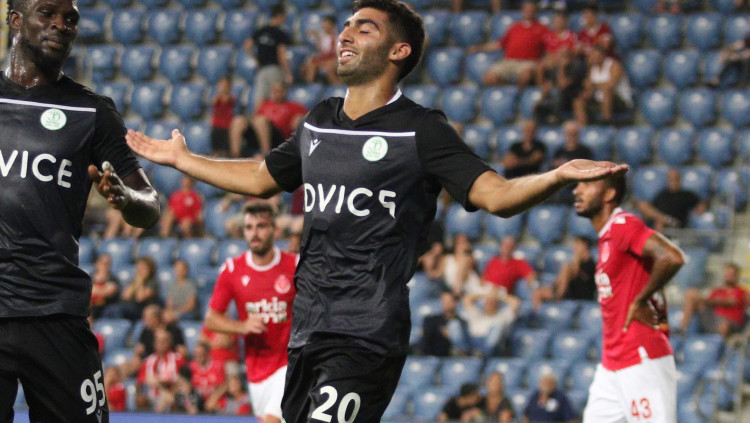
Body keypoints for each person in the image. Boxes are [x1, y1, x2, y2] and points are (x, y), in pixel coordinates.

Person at [126, 0, 627, 420]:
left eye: (364, 28)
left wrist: (556, 175)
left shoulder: (421, 129)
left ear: (397, 51)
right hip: (307, 328)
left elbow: (494, 195)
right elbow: (261, 177)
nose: (345, 34)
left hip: (366, 330)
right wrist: (184, 160)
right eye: (346, 25)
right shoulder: (320, 119)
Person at [0, 0, 161, 421]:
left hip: (56, 314)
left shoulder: (92, 111)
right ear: (15, 20)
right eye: (47, 13)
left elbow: (150, 206)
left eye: (70, 18)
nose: (61, 24)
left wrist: (126, 199)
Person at [573, 175, 684, 423]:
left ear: (609, 194)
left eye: (586, 185)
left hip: (640, 357)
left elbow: (671, 257)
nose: (576, 190)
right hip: (612, 363)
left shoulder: (622, 224)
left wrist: (642, 300)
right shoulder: (607, 236)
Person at [204, 202, 297, 423]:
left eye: (261, 226)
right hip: (256, 368)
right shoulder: (232, 270)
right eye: (249, 227)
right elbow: (211, 319)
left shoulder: (295, 266)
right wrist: (242, 326)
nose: (254, 233)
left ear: (275, 230)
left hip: (289, 363)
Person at [468, 1, 548, 90]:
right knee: (488, 78)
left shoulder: (542, 29)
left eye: (531, 10)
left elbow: (550, 49)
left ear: (535, 12)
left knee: (525, 76)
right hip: (508, 61)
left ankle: (519, 93)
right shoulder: (515, 27)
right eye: (527, 10)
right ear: (522, 11)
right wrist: (479, 48)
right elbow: (500, 44)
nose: (528, 12)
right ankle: (508, 89)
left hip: (527, 63)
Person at [228, 81, 307, 158]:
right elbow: (254, 119)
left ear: (285, 91)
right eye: (274, 91)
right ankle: (235, 156)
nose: (277, 93)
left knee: (261, 121)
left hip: (278, 136)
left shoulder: (294, 106)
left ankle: (266, 155)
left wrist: (299, 119)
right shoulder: (265, 104)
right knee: (238, 120)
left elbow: (308, 117)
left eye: (279, 91)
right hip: (259, 132)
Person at [244, 4, 292, 112]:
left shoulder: (261, 30)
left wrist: (256, 59)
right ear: (280, 16)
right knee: (276, 99)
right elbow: (281, 53)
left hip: (261, 70)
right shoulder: (280, 33)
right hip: (274, 69)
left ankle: (257, 120)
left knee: (260, 100)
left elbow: (247, 45)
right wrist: (288, 72)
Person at [681, 263, 748, 339]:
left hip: (730, 322)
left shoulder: (742, 292)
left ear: (737, 276)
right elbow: (709, 302)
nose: (729, 276)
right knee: (692, 294)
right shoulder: (716, 291)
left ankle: (721, 344)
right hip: (713, 319)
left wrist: (713, 301)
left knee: (724, 325)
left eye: (732, 274)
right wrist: (711, 301)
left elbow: (730, 302)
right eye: (728, 273)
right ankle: (682, 330)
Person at [573, 45, 633, 125]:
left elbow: (611, 84)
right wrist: (587, 91)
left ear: (603, 56)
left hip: (619, 100)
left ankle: (606, 121)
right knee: (579, 100)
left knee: (606, 90)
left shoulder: (614, 65)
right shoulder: (593, 69)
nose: (593, 58)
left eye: (596, 56)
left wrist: (594, 84)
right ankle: (582, 125)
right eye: (592, 56)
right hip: (599, 99)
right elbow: (590, 88)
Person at [533, 236, 597, 309]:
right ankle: (538, 312)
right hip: (569, 291)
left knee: (566, 267)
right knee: (537, 293)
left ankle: (558, 295)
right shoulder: (576, 262)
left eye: (577, 244)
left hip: (582, 294)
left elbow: (577, 275)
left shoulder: (590, 263)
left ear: (584, 245)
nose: (574, 247)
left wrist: (576, 259)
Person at [635, 168, 705, 231]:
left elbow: (701, 204)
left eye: (676, 179)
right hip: (662, 222)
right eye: (671, 179)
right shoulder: (662, 194)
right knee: (643, 206)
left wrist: (698, 211)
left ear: (680, 180)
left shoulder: (687, 195)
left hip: (677, 225)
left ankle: (665, 220)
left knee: (659, 223)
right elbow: (652, 208)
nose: (673, 182)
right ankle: (665, 219)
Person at [136, 328, 187, 411]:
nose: (160, 344)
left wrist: (160, 382)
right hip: (152, 396)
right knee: (141, 400)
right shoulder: (148, 361)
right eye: (158, 341)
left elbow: (183, 382)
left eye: (164, 341)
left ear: (169, 343)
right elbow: (141, 382)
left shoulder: (178, 359)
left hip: (172, 394)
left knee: (174, 399)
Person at [462, 289, 520, 356]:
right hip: (474, 343)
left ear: (497, 304)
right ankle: (468, 352)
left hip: (493, 347)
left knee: (498, 325)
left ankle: (483, 354)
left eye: (493, 302)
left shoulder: (502, 316)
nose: (490, 304)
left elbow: (515, 302)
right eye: (488, 302)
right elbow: (467, 299)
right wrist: (487, 295)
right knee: (454, 325)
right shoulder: (477, 314)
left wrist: (498, 296)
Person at [419, 291, 471, 357]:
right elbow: (426, 341)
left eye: (448, 301)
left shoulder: (462, 323)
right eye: (443, 301)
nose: (445, 304)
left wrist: (451, 336)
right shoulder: (431, 320)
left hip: (453, 356)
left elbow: (466, 344)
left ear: (455, 303)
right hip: (433, 354)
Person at [301, 15, 340, 84]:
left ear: (332, 25)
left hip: (335, 60)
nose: (324, 26)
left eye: (327, 24)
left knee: (328, 68)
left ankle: (338, 86)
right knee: (309, 66)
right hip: (325, 60)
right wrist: (317, 38)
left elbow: (338, 54)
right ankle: (310, 86)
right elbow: (321, 52)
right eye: (324, 24)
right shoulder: (322, 37)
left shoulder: (338, 38)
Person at [210, 76, 236, 157]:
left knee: (225, 150)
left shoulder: (231, 98)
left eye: (225, 85)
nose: (223, 87)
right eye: (221, 85)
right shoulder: (217, 97)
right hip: (216, 126)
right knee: (215, 149)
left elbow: (227, 100)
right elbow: (213, 102)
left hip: (226, 127)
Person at [90, 253, 121, 318]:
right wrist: (103, 289)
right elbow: (85, 291)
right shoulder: (90, 278)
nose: (106, 266)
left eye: (108, 264)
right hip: (91, 307)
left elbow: (110, 291)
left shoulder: (113, 279)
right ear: (97, 264)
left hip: (106, 307)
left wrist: (94, 289)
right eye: (103, 263)